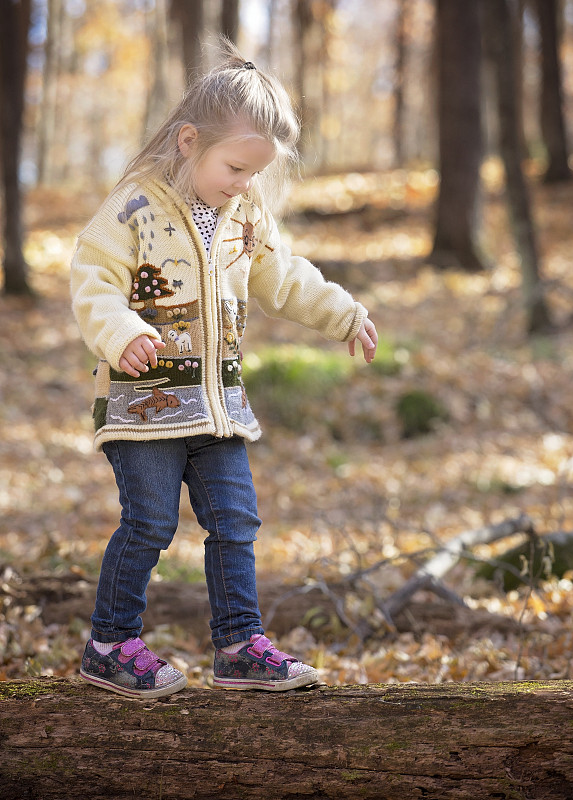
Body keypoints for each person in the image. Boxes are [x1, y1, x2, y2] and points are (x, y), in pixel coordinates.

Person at [70, 41, 378, 699]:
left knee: (236, 521)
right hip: (144, 406)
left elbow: (284, 277)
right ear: (189, 141)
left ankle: (238, 644)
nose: (242, 184)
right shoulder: (135, 206)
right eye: (235, 167)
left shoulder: (243, 218)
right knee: (149, 523)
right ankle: (109, 643)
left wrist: (343, 313)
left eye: (253, 174)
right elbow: (92, 278)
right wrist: (120, 329)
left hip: (219, 408)